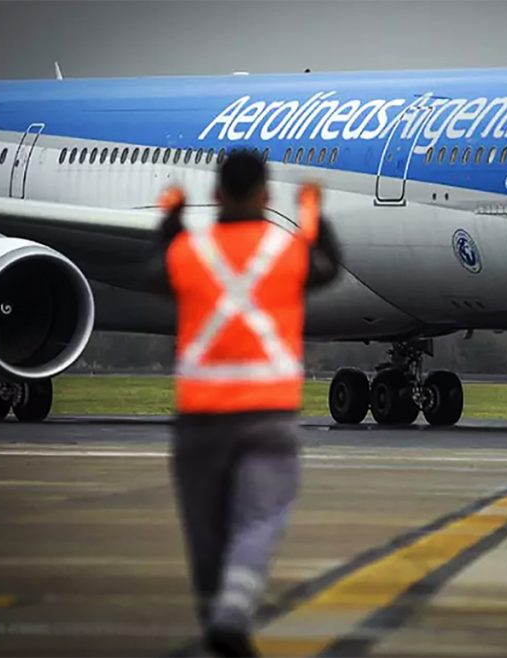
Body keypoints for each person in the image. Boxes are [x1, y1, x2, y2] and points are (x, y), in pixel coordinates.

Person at [156, 151, 340, 657]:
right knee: (258, 519)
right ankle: (233, 614)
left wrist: (172, 216)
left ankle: (216, 613)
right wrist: (312, 212)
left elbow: (160, 270)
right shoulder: (287, 251)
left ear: (215, 195)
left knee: (205, 529)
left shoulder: (191, 251)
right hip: (268, 416)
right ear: (265, 195)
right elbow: (327, 265)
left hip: (199, 420)